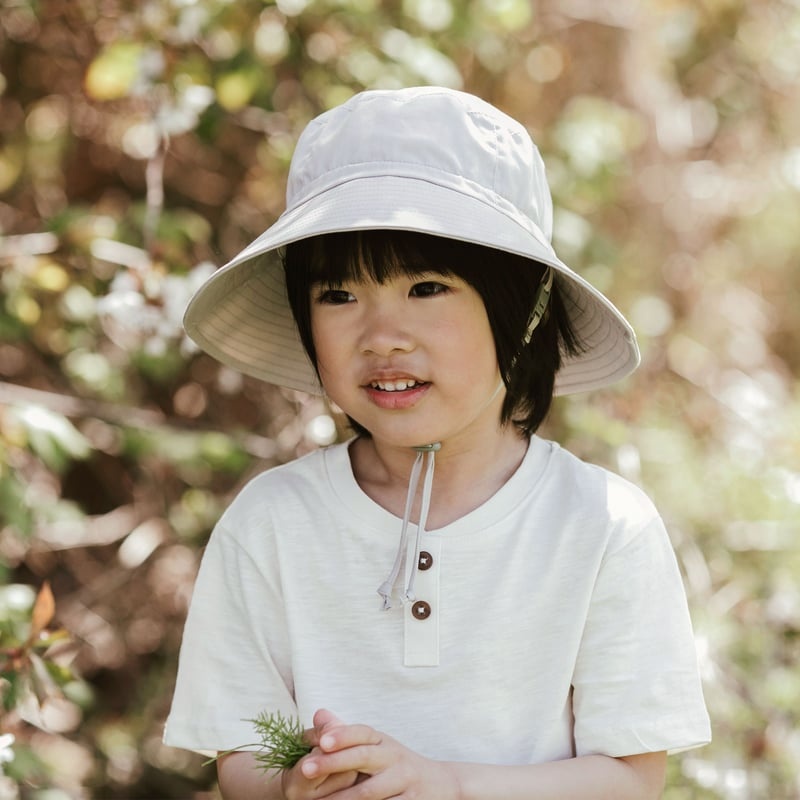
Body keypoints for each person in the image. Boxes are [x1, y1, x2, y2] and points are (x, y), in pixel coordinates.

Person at [164, 86, 710, 799]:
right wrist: (302, 785)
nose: (382, 336)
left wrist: (442, 785)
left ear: (523, 309)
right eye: (337, 296)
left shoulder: (602, 527)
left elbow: (632, 778)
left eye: (426, 288)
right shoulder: (271, 523)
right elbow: (240, 753)